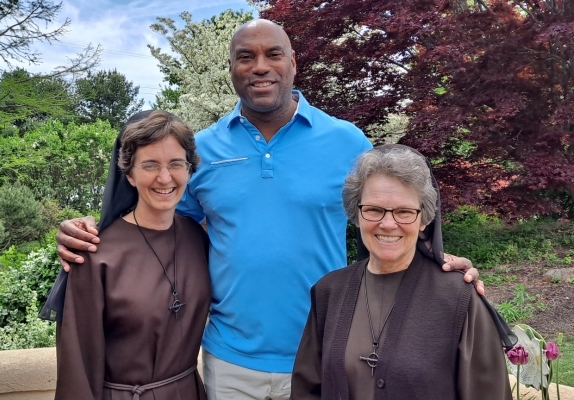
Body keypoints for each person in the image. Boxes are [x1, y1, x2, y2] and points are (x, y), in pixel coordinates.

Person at [49, 20, 481, 400]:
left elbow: (391, 217)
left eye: (273, 54)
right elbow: (158, 227)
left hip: (326, 349)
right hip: (229, 360)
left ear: (293, 62)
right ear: (231, 69)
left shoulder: (347, 141)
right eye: (246, 57)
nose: (260, 66)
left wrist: (437, 265)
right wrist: (94, 232)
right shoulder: (203, 149)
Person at [290, 145, 513, 400]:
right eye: (374, 210)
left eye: (404, 212)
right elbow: (306, 391)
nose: (387, 224)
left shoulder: (459, 298)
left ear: (423, 219)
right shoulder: (329, 291)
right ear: (357, 214)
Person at [54, 110, 211, 400]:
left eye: (176, 164)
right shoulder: (94, 254)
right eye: (150, 165)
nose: (165, 177)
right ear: (129, 174)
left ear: (189, 170)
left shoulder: (196, 237)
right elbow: (77, 366)